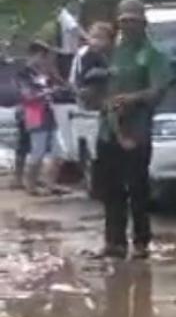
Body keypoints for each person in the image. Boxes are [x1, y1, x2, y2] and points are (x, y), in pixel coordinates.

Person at [97, 0, 172, 260]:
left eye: (133, 21)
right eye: (124, 21)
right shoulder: (112, 53)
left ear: (143, 24)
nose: (128, 26)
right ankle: (114, 243)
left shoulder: (152, 55)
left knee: (137, 188)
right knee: (110, 189)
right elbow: (99, 86)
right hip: (108, 129)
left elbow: (158, 90)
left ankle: (141, 242)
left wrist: (132, 98)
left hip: (136, 130)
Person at [16, 41, 65, 195]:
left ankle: (50, 184)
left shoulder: (46, 74)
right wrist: (48, 93)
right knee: (37, 151)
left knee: (59, 152)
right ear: (34, 55)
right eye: (42, 55)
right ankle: (30, 186)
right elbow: (27, 96)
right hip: (34, 114)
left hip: (50, 114)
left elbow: (62, 87)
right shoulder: (23, 74)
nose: (44, 59)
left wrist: (55, 79)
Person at [70, 21, 116, 110]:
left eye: (101, 38)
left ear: (109, 41)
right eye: (94, 37)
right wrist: (108, 72)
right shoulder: (85, 54)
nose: (96, 41)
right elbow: (84, 75)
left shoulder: (106, 55)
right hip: (87, 94)